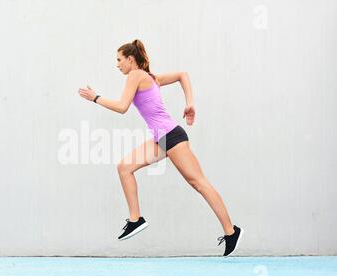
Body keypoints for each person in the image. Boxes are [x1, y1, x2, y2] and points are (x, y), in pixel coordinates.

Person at [78, 39, 243, 256]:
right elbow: (182, 74)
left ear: (130, 59)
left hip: (171, 136)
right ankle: (136, 219)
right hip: (161, 138)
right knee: (124, 167)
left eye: (119, 60)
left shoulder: (135, 76)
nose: (117, 65)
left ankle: (231, 230)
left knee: (199, 183)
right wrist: (190, 102)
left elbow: (122, 107)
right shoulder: (151, 78)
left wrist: (95, 98)